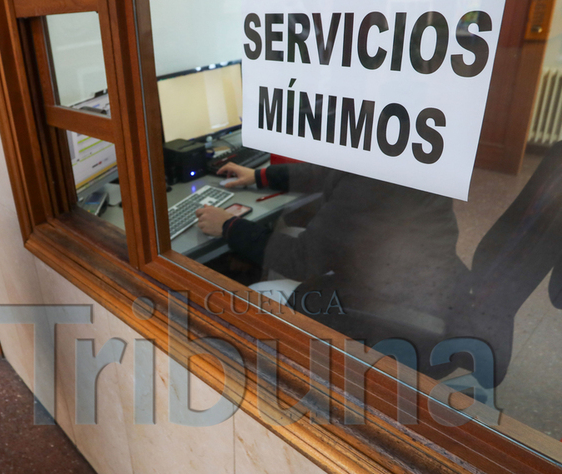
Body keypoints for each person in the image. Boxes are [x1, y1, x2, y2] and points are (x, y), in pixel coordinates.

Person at [195, 161, 472, 377]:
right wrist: (260, 176)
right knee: (290, 231)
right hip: (428, 289)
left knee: (252, 295)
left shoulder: (370, 183)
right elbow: (328, 171)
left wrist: (229, 226)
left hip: (393, 317)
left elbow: (300, 260)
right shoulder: (406, 158)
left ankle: (280, 375)